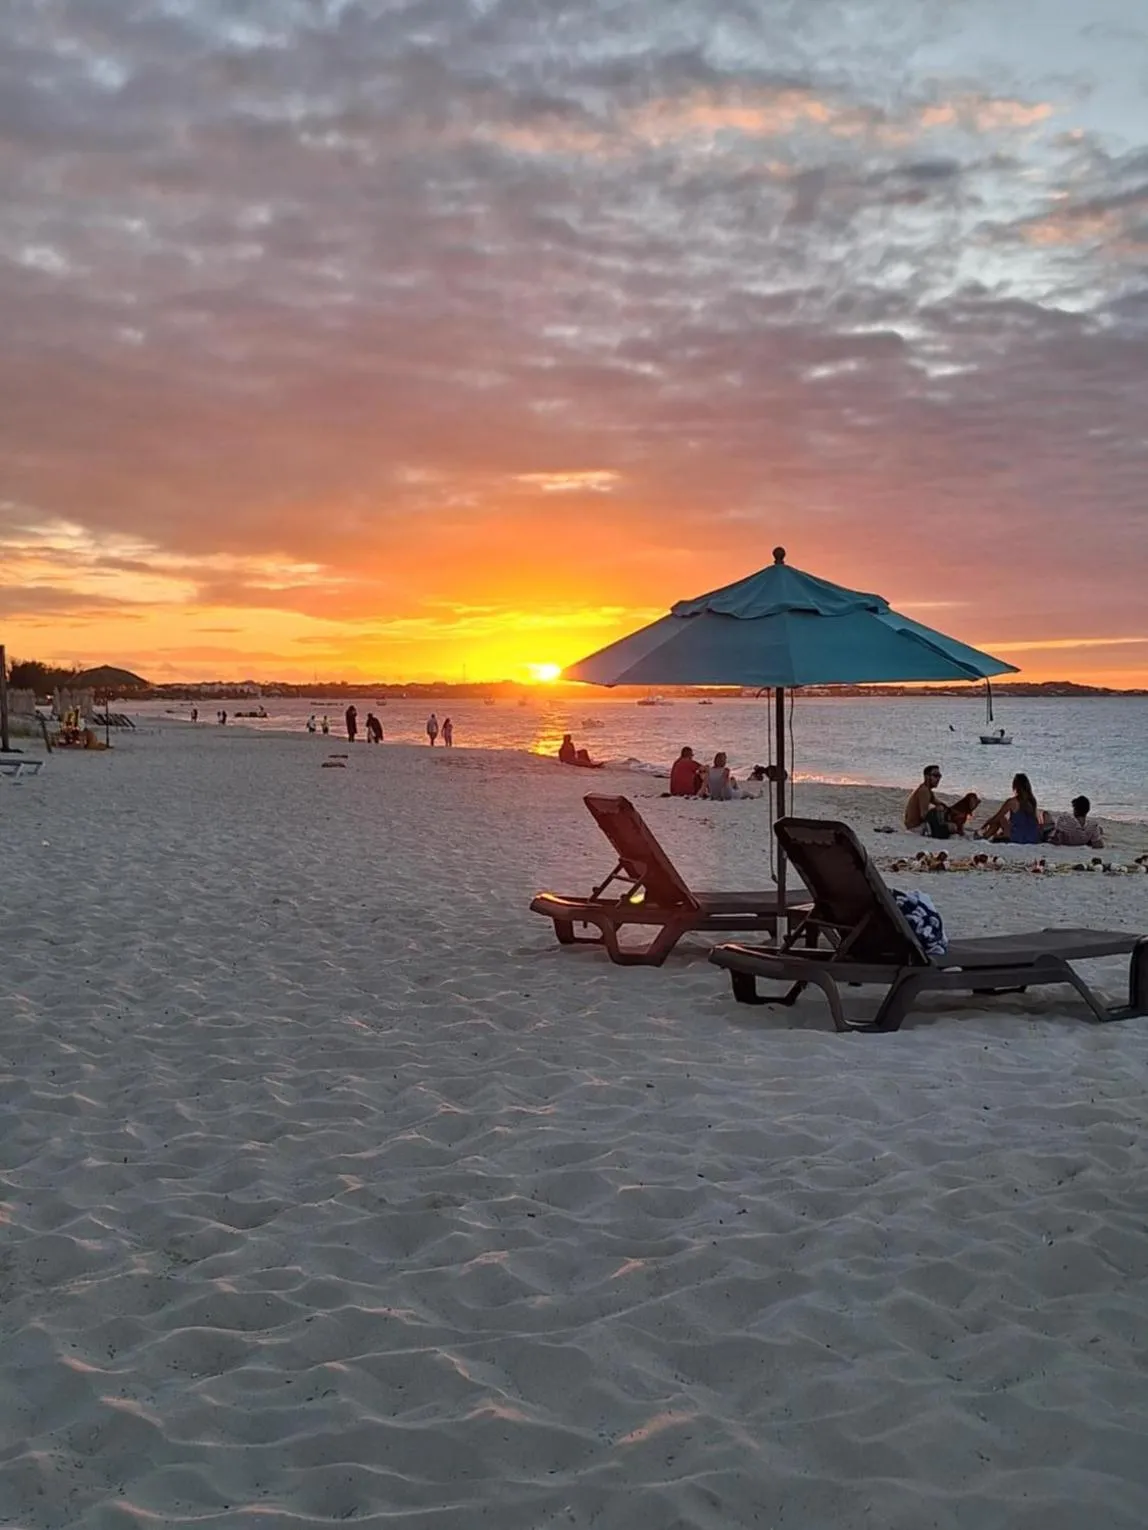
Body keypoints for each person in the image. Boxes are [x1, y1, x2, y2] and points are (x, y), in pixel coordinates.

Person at [980, 772, 1044, 844]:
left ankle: (985, 836)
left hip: (1018, 838)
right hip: (1033, 837)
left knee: (1001, 819)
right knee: (1004, 821)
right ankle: (987, 836)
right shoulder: (1032, 801)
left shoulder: (1012, 802)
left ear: (1015, 786)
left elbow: (997, 817)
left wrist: (986, 824)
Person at [904, 765, 945, 833]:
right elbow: (924, 815)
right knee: (952, 827)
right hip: (915, 827)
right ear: (927, 777)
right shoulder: (924, 791)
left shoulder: (927, 790)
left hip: (914, 826)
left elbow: (939, 803)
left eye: (939, 776)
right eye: (935, 776)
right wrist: (937, 810)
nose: (938, 779)